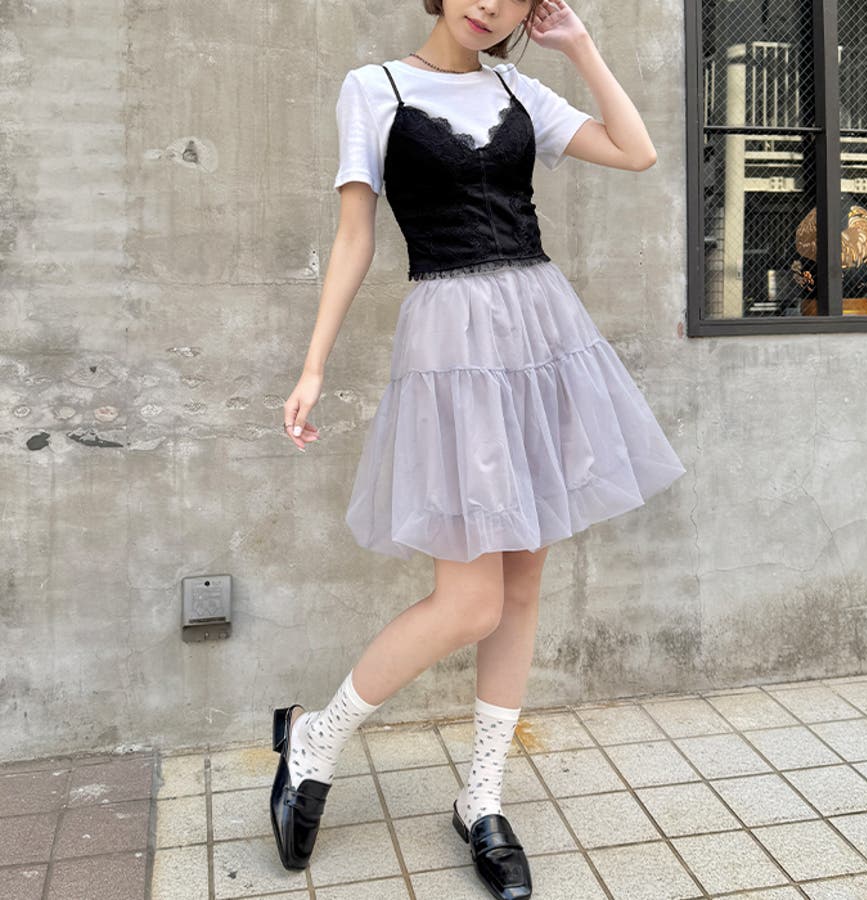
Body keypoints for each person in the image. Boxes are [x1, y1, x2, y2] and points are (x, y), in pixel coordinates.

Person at [271, 0, 687, 896]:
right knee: (469, 601)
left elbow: (636, 151)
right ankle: (314, 739)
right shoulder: (375, 89)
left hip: (539, 334)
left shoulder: (520, 89)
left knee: (523, 583)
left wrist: (582, 47)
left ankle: (481, 796)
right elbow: (354, 236)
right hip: (452, 344)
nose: (488, 3)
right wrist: (312, 366)